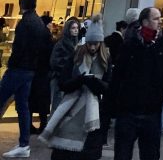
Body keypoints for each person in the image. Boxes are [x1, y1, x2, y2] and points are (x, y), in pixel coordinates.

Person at [110, 6, 163, 160]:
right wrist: (110, 107)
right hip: (128, 112)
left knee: (150, 154)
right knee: (122, 154)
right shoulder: (130, 45)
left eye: (160, 18)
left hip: (151, 113)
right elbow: (117, 77)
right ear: (144, 21)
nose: (160, 22)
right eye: (156, 19)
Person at [40, 16, 111, 160]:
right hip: (71, 112)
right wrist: (80, 80)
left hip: (95, 117)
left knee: (87, 153)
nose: (92, 47)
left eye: (96, 44)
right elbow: (63, 83)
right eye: (90, 43)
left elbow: (110, 88)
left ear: (100, 43)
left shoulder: (106, 61)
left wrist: (93, 83)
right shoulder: (76, 57)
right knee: (65, 154)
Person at [0, 0, 48, 159]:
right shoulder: (39, 23)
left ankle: (24, 144)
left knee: (3, 98)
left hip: (19, 69)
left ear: (23, 5)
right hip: (30, 69)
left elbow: (19, 48)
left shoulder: (25, 23)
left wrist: (12, 64)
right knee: (22, 106)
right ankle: (24, 144)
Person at [50, 19, 80, 114]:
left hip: (69, 80)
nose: (76, 30)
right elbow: (54, 61)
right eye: (73, 28)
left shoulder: (76, 43)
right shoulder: (61, 43)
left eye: (77, 28)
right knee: (57, 108)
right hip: (59, 79)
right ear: (68, 29)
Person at [30, 15, 54, 134]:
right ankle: (43, 124)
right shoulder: (47, 37)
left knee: (31, 99)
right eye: (50, 23)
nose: (52, 25)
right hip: (43, 72)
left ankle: (30, 124)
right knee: (42, 101)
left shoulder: (35, 35)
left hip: (34, 71)